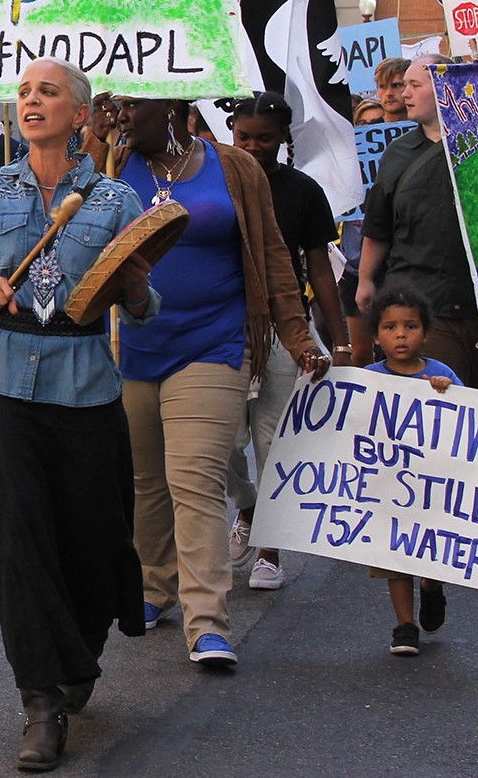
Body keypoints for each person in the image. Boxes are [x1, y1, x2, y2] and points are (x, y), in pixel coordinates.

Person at [0, 59, 158, 772]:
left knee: (94, 539)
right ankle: (40, 701)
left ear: (80, 114)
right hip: (0, 388)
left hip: (86, 388)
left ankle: (79, 656)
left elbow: (147, 311)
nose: (30, 101)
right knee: (20, 543)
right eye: (24, 92)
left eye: (47, 92)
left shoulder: (119, 200)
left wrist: (134, 286)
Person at [113, 97, 328, 669]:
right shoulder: (108, 162)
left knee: (196, 480)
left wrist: (298, 335)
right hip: (131, 348)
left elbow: (274, 256)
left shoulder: (233, 167)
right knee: (146, 481)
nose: (124, 115)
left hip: (215, 344)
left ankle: (206, 620)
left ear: (174, 109)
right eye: (119, 105)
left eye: (135, 106)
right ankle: (154, 588)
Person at [223, 94, 351, 592]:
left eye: (265, 139)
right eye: (244, 138)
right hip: (226, 324)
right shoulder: (217, 183)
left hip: (285, 326)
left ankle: (270, 550)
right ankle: (250, 507)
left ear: (285, 138)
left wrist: (338, 340)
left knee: (273, 440)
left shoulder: (302, 190)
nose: (254, 148)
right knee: (224, 442)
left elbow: (319, 268)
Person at [355, 57, 478, 393]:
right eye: (403, 86)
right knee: (441, 404)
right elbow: (379, 225)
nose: (405, 94)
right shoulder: (397, 154)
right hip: (423, 303)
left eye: (415, 86)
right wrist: (367, 279)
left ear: (445, 90)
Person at [362, 286, 456, 656]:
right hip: (388, 487)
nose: (400, 334)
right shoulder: (368, 378)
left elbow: (465, 422)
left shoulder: (440, 374)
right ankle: (404, 625)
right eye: (390, 327)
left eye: (411, 326)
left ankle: (432, 589)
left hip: (430, 486)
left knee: (429, 551)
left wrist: (445, 393)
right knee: (393, 556)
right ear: (375, 336)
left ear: (426, 333)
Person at [373, 57, 409, 123]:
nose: (388, 93)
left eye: (396, 86)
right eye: (382, 86)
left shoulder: (428, 127)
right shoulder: (367, 130)